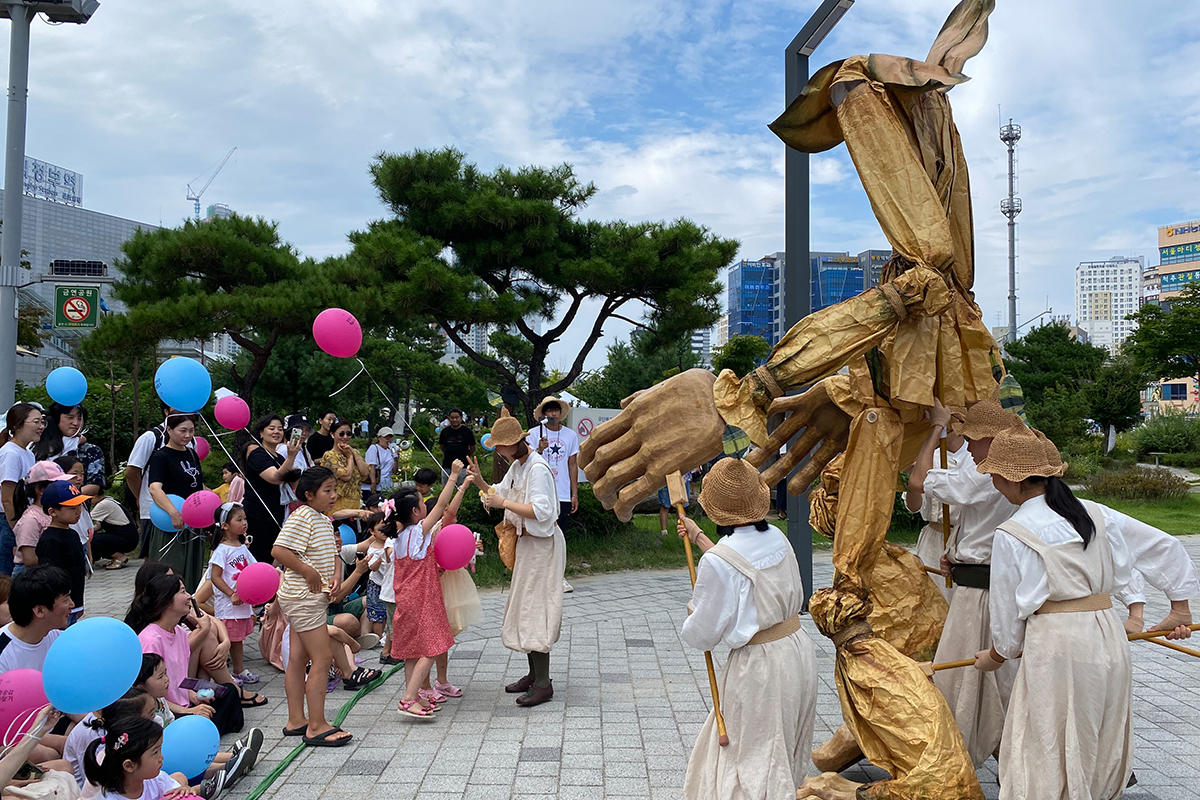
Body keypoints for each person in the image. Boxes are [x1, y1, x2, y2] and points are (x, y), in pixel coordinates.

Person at [975, 425, 1133, 800]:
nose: (994, 483)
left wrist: (995, 656)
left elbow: (1006, 618)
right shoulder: (1096, 514)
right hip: (1108, 635)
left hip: (1058, 644)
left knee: (1046, 739)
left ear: (1012, 479)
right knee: (1099, 734)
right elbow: (1126, 574)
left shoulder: (1012, 533)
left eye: (995, 475)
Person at [676, 457, 818, 800]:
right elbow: (742, 568)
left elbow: (701, 634)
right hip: (797, 651)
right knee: (779, 752)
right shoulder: (777, 537)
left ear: (715, 511)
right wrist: (698, 539)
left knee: (752, 764)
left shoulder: (718, 562)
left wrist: (695, 607)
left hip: (761, 669)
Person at [908, 394, 1021, 767]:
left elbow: (919, 479)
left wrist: (937, 427)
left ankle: (954, 763)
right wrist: (955, 553)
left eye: (973, 438)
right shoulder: (991, 469)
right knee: (992, 678)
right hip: (979, 580)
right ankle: (1009, 759)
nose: (969, 445)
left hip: (985, 591)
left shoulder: (987, 471)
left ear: (990, 439)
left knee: (965, 678)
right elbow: (975, 522)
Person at [467, 408, 565, 707]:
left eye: (501, 446)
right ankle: (534, 675)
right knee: (524, 607)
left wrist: (503, 501)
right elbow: (498, 493)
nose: (499, 451)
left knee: (537, 610)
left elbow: (542, 511)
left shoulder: (536, 467)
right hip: (528, 544)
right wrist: (481, 482)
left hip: (543, 545)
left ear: (515, 443)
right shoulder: (519, 465)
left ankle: (543, 682)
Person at [270, 467, 352, 746]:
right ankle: (316, 725)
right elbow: (279, 551)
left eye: (334, 489)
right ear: (309, 494)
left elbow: (328, 555)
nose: (333, 495)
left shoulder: (320, 518)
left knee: (298, 659)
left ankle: (296, 720)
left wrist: (333, 577)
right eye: (327, 490)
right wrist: (307, 571)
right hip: (303, 599)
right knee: (323, 657)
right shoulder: (303, 515)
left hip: (306, 598)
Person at [126, 571, 266, 727]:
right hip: (167, 711)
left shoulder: (177, 631)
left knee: (228, 691)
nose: (189, 597)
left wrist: (192, 695)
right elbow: (151, 696)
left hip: (185, 699)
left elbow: (180, 679)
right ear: (167, 602)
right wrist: (190, 711)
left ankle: (208, 722)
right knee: (205, 717)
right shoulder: (151, 640)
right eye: (183, 591)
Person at [385, 467, 461, 720]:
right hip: (423, 600)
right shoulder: (417, 533)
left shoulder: (398, 538)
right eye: (421, 503)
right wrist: (453, 476)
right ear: (416, 512)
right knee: (432, 647)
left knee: (411, 651)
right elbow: (442, 506)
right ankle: (407, 699)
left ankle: (415, 695)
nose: (425, 506)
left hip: (405, 600)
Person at [132, 655, 262, 792]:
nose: (166, 679)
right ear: (140, 686)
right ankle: (230, 764)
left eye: (165, 673)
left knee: (228, 693)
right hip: (163, 759)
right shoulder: (142, 712)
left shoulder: (160, 700)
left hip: (172, 751)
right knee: (187, 764)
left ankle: (236, 759)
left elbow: (171, 722)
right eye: (160, 677)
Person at [82, 715, 215, 800]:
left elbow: (177, 792)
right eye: (155, 752)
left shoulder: (157, 780)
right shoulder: (111, 798)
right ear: (129, 765)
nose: (161, 757)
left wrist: (184, 790)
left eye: (160, 749)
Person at [146, 414, 208, 591]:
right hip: (171, 522)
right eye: (182, 431)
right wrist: (174, 513)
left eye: (191, 431)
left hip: (194, 520)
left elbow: (197, 486)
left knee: (193, 567)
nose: (187, 435)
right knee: (172, 568)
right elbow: (155, 489)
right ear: (169, 430)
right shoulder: (161, 456)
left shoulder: (191, 454)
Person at [525, 398, 578, 592]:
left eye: (556, 411)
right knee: (538, 533)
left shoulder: (570, 435)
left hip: (562, 492)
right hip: (540, 491)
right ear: (543, 414)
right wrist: (539, 449)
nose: (552, 414)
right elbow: (526, 460)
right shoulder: (533, 433)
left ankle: (559, 575)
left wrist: (574, 493)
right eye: (549, 411)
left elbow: (572, 464)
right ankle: (538, 575)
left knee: (559, 535)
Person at [125, 402, 186, 559]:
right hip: (155, 510)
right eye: (177, 409)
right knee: (154, 560)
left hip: (183, 510)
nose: (183, 413)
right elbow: (132, 471)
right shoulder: (151, 437)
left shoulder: (189, 440)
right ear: (166, 411)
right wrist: (140, 496)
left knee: (179, 558)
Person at [208, 503, 258, 685]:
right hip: (230, 605)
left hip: (242, 602)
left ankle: (238, 670)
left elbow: (253, 568)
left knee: (237, 640)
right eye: (239, 519)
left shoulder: (241, 545)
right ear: (225, 525)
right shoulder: (222, 550)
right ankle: (223, 673)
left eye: (245, 519)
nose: (244, 523)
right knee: (227, 639)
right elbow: (215, 577)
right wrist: (231, 594)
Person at [240, 415, 302, 564]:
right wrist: (291, 457)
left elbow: (292, 485)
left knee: (272, 559)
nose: (276, 432)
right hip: (257, 514)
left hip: (276, 514)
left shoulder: (280, 458)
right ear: (261, 432)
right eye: (272, 428)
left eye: (280, 429)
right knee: (258, 558)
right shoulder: (257, 455)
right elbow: (274, 478)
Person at [33, 481, 89, 625]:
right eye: (71, 508)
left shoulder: (73, 534)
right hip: (59, 607)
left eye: (79, 506)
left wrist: (79, 603)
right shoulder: (50, 540)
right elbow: (50, 578)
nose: (78, 511)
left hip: (73, 603)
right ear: (52, 511)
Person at [0, 564, 70, 673]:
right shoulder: (3, 652)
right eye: (65, 601)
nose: (72, 605)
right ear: (40, 611)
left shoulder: (62, 639)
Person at [0, 403, 43, 577]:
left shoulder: (28, 453)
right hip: (10, 522)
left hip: (23, 520)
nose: (41, 427)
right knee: (8, 579)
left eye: (42, 422)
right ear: (18, 425)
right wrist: (17, 529)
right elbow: (7, 498)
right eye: (36, 422)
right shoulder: (11, 454)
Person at [33, 402, 106, 497]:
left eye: (80, 418)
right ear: (57, 418)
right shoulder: (38, 446)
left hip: (76, 508)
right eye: (70, 417)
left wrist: (63, 496)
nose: (76, 423)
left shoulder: (91, 451)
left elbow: (94, 486)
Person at [12, 461, 70, 574]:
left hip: (49, 570)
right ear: (40, 490)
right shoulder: (31, 519)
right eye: (56, 484)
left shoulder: (51, 513)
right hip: (32, 575)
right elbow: (29, 559)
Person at [318, 419, 369, 516]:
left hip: (355, 502)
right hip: (337, 503)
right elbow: (346, 476)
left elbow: (365, 473)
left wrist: (354, 454)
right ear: (332, 434)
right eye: (341, 434)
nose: (345, 437)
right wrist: (350, 458)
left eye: (348, 434)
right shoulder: (329, 456)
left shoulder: (354, 452)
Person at [90, 495, 139, 570]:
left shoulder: (103, 504)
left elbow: (87, 520)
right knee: (93, 537)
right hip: (129, 537)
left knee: (92, 540)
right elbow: (98, 525)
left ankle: (120, 557)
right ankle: (115, 557)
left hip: (126, 538)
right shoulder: (110, 500)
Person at [362, 512, 390, 641]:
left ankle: (388, 636)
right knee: (379, 613)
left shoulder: (391, 543)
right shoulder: (373, 549)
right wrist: (379, 559)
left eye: (387, 527)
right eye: (380, 529)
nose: (384, 532)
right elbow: (372, 567)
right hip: (377, 585)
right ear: (372, 531)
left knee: (390, 612)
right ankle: (378, 638)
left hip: (390, 583)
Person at [437, 409, 475, 482]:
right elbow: (442, 446)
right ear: (449, 418)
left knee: (462, 488)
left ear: (461, 418)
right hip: (447, 465)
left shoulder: (467, 431)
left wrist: (466, 455)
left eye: (457, 418)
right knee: (446, 488)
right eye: (452, 418)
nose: (454, 420)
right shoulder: (445, 431)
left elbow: (473, 447)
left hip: (463, 466)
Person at [657, 469, 692, 537]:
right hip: (666, 477)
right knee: (665, 505)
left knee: (681, 505)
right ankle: (664, 532)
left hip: (683, 476)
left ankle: (682, 531)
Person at [365, 428, 396, 500]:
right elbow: (371, 466)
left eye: (390, 437)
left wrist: (396, 459)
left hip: (387, 486)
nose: (388, 440)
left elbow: (394, 471)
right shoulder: (374, 448)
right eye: (386, 437)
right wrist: (373, 483)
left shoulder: (391, 451)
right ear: (379, 438)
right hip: (376, 484)